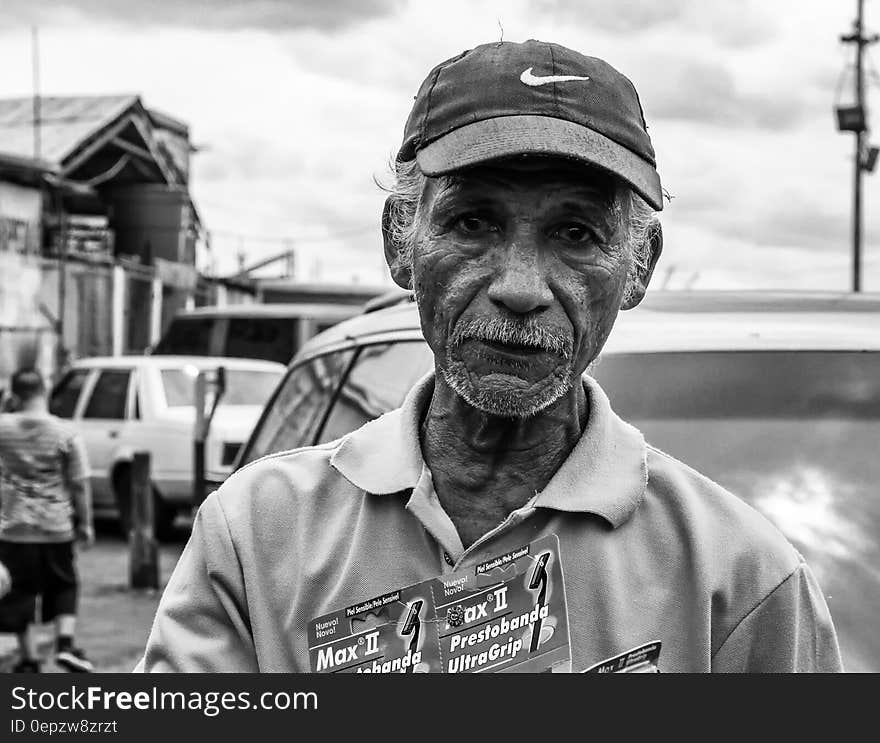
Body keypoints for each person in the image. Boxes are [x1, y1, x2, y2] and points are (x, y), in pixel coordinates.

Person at [136, 40, 842, 672]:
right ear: (399, 242)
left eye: (576, 232)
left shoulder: (742, 582)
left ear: (638, 268)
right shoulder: (256, 537)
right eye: (473, 222)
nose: (520, 288)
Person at [0, 368, 95, 672]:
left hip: (14, 529)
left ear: (14, 395)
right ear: (46, 390)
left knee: (19, 592)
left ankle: (29, 660)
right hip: (56, 527)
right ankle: (65, 645)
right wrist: (86, 523)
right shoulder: (65, 432)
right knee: (64, 585)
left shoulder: (2, 429)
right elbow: (79, 483)